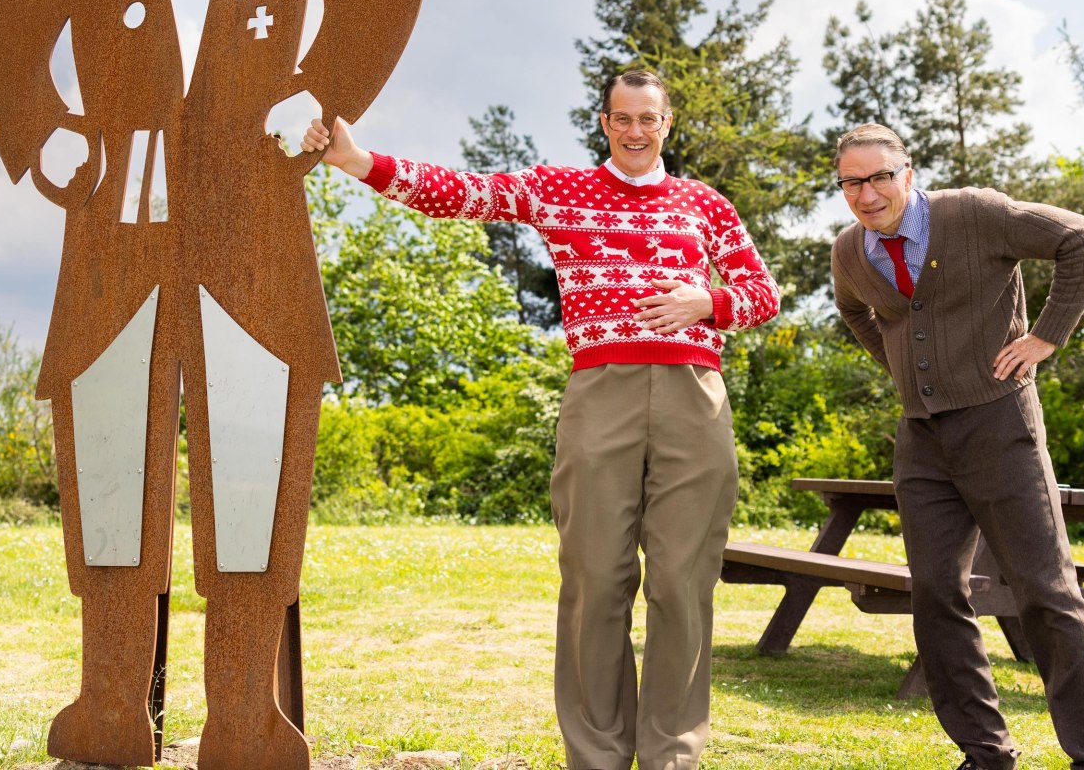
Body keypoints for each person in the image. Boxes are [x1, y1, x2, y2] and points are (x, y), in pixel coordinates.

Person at [0, 0, 423, 765]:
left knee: (257, 472)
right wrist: (48, 138)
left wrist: (321, 92)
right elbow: (6, 46)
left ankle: (243, 716)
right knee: (116, 464)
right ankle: (112, 710)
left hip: (253, 224)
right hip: (116, 232)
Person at [302, 69, 780, 770]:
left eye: (649, 119)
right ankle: (598, 757)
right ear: (604, 123)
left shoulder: (702, 203)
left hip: (694, 395)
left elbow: (762, 294)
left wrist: (706, 302)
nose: (637, 131)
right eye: (624, 118)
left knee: (681, 581)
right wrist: (357, 162)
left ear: (668, 123)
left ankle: (672, 756)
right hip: (601, 393)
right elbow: (461, 194)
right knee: (595, 577)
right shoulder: (562, 190)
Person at [829, 123, 1084, 770]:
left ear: (907, 172)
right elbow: (854, 310)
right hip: (922, 439)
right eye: (853, 181)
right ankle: (985, 753)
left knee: (1045, 590)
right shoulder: (851, 251)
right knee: (936, 594)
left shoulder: (976, 213)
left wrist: (1046, 336)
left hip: (1000, 424)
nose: (869, 192)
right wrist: (900, 366)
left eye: (880, 175)